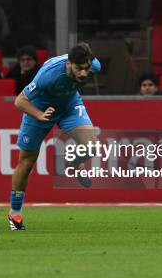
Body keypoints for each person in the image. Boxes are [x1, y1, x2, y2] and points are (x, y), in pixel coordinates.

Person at [8, 43, 101, 231]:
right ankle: (14, 212)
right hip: (39, 109)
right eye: (79, 69)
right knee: (26, 164)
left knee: (91, 146)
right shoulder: (49, 75)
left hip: (69, 106)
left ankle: (74, 163)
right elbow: (20, 100)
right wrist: (39, 115)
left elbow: (86, 67)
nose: (84, 74)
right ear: (69, 63)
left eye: (86, 68)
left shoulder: (94, 65)